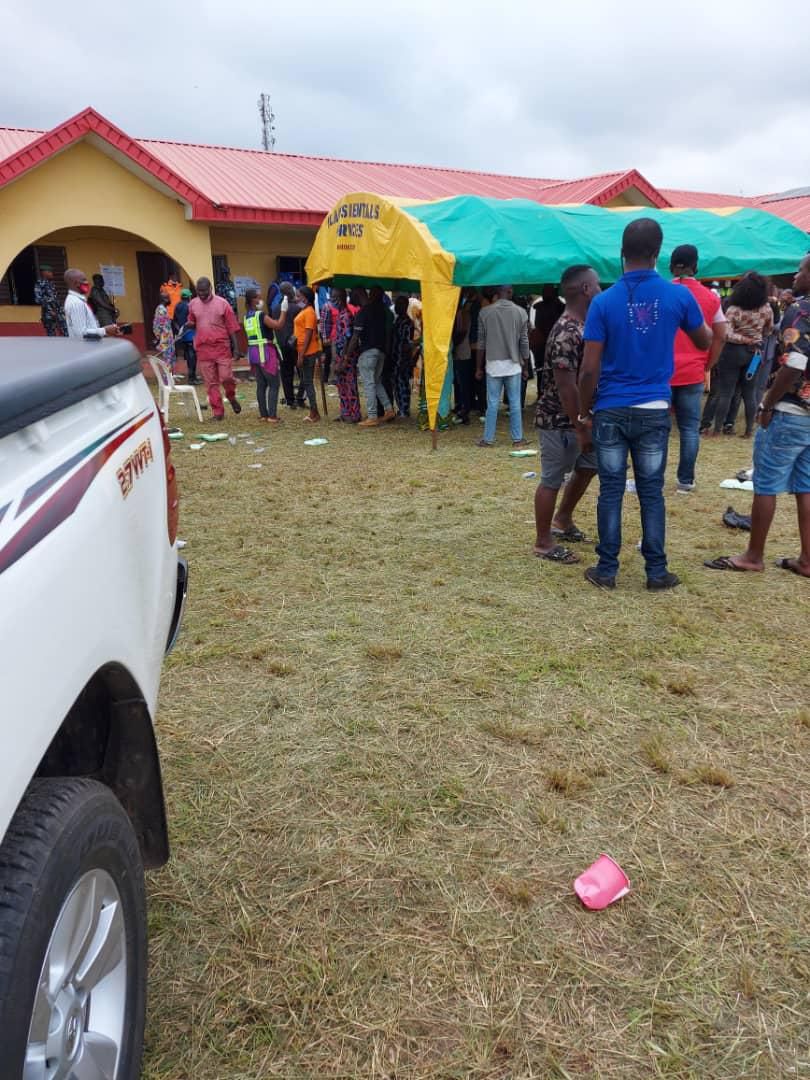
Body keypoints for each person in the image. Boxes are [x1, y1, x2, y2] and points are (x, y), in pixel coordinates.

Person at [577, 218, 711, 591]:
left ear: (622, 253)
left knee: (610, 490)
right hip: (654, 407)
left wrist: (584, 412)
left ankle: (606, 569)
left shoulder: (603, 302)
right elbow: (704, 340)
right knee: (651, 492)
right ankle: (656, 571)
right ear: (657, 253)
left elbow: (588, 369)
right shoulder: (678, 296)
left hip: (611, 408)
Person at [705, 255, 810, 577]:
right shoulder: (777, 309)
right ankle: (807, 559)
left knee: (765, 484)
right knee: (806, 486)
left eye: (802, 270)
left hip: (790, 409)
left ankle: (753, 556)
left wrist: (769, 403)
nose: (796, 275)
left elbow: (795, 362)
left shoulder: (800, 311)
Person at [533, 265, 601, 564]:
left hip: (581, 418)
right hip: (559, 420)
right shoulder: (566, 331)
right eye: (596, 285)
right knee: (552, 479)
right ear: (586, 289)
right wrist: (580, 424)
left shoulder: (583, 326)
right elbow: (566, 387)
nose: (600, 290)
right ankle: (543, 542)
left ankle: (562, 519)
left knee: (589, 466)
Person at [669, 244, 726, 491]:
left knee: (656, 429)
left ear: (671, 266)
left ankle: (650, 478)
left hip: (661, 371)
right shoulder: (711, 297)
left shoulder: (663, 292)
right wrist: (708, 365)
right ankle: (685, 481)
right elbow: (721, 335)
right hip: (693, 371)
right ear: (696, 266)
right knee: (690, 428)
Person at [700, 272, 774, 438]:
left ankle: (717, 430)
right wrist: (754, 338)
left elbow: (727, 334)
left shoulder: (734, 309)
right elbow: (769, 330)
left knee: (726, 392)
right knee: (749, 393)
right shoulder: (766, 308)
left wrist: (744, 339)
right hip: (755, 353)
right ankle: (749, 431)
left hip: (732, 352)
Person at [475, 285, 531, 447]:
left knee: (492, 403)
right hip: (513, 365)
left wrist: (478, 367)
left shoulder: (485, 313)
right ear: (510, 292)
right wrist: (526, 366)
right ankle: (518, 439)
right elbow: (524, 342)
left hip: (493, 364)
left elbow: (481, 343)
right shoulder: (521, 312)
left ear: (496, 294)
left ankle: (488, 439)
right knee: (515, 402)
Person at [186, 276, 241, 421]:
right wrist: (189, 325)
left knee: (226, 377)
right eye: (199, 291)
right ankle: (218, 412)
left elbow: (232, 327)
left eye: (204, 290)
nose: (201, 294)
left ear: (210, 288)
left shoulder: (223, 304)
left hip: (221, 347)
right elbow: (192, 321)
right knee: (211, 383)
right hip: (203, 349)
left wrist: (236, 348)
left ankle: (231, 396)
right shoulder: (192, 304)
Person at [346, 286, 396, 428]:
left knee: (369, 383)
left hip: (368, 351)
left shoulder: (363, 312)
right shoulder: (383, 312)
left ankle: (372, 416)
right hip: (381, 351)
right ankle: (389, 409)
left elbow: (355, 336)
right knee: (376, 381)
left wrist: (347, 355)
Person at [244, 287, 284, 424]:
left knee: (261, 384)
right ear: (252, 300)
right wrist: (284, 311)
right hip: (265, 352)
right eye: (258, 297)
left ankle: (263, 414)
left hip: (254, 354)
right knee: (274, 383)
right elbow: (278, 325)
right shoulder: (260, 315)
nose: (261, 300)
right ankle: (272, 416)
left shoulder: (247, 317)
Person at [293, 286, 323, 422]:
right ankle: (314, 411)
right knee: (306, 381)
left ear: (305, 298)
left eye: (298, 296)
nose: (296, 298)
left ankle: (314, 412)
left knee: (308, 382)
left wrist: (301, 355)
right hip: (302, 350)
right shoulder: (304, 310)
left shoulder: (309, 312)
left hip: (308, 352)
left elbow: (309, 334)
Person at [331, 288, 362, 422]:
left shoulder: (347, 316)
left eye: (335, 298)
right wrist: (335, 359)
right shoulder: (340, 314)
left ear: (342, 298)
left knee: (350, 385)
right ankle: (345, 412)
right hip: (339, 356)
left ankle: (354, 414)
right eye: (332, 298)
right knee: (341, 384)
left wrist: (343, 359)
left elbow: (348, 339)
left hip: (347, 357)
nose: (333, 301)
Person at [63, 269, 119, 339]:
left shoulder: (76, 300)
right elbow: (81, 334)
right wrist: (105, 330)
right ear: (76, 283)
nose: (87, 282)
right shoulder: (76, 303)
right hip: (85, 345)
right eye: (84, 280)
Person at [531, 285, 565, 395]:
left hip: (551, 343)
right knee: (543, 370)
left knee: (547, 371)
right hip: (545, 343)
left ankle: (544, 394)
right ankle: (543, 393)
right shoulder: (542, 306)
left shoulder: (559, 307)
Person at [278, 282, 304, 409]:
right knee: (303, 373)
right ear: (290, 291)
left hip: (282, 345)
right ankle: (300, 398)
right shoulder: (297, 308)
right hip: (296, 345)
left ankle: (290, 400)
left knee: (286, 374)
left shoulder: (275, 309)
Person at [391, 295, 415, 417]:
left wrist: (405, 359)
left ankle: (404, 409)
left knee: (403, 383)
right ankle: (401, 407)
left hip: (402, 358)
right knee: (396, 383)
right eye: (396, 304)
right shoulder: (398, 320)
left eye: (399, 304)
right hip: (396, 356)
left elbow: (408, 343)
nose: (396, 307)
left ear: (405, 306)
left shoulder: (407, 322)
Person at [173, 288, 198, 383]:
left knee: (187, 355)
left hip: (182, 334)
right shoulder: (190, 306)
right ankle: (192, 378)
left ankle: (192, 377)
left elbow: (174, 321)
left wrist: (180, 330)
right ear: (188, 297)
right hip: (190, 334)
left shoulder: (177, 306)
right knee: (192, 356)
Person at [33, 267, 67, 337]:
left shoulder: (51, 284)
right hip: (49, 314)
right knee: (51, 335)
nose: (52, 274)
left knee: (66, 332)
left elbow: (55, 298)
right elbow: (38, 299)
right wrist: (50, 310)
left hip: (58, 312)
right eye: (50, 272)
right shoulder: (40, 284)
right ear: (44, 273)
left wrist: (61, 310)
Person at [319, 288, 338, 385]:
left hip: (338, 336)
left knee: (334, 357)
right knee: (329, 357)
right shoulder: (327, 306)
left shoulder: (341, 305)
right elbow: (323, 323)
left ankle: (332, 377)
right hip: (330, 336)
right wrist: (325, 337)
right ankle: (327, 378)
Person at [152, 291, 176, 368]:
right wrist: (158, 337)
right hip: (165, 339)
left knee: (169, 360)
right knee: (167, 361)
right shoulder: (161, 309)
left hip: (167, 338)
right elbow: (159, 326)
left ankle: (170, 374)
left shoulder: (163, 309)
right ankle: (167, 375)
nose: (170, 299)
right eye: (168, 298)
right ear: (164, 299)